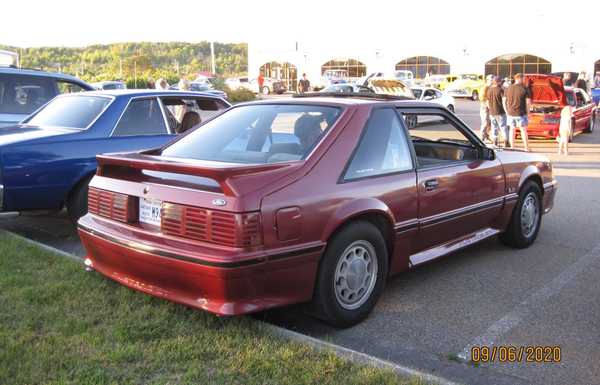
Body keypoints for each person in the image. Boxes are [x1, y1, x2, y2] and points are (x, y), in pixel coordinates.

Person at [504, 73, 531, 151]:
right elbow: (528, 102)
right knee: (523, 130)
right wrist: (528, 113)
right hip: (521, 113)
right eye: (523, 78)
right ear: (519, 78)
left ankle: (512, 147)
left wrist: (506, 110)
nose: (524, 80)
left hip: (510, 113)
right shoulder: (525, 89)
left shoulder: (508, 88)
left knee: (512, 130)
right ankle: (526, 148)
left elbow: (504, 100)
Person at [486, 76, 508, 147]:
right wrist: (506, 110)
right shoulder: (501, 90)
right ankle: (506, 142)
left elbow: (487, 101)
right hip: (500, 111)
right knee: (503, 127)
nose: (501, 82)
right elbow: (504, 101)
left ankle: (495, 142)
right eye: (500, 81)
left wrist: (490, 109)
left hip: (492, 112)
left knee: (494, 127)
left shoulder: (489, 90)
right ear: (498, 82)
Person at [478, 75, 494, 142]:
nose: (492, 81)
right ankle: (481, 137)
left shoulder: (491, 87)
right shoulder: (484, 88)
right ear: (487, 80)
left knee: (489, 123)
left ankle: (486, 136)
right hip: (484, 107)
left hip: (490, 107)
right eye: (491, 80)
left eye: (492, 80)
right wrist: (488, 101)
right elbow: (481, 98)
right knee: (485, 122)